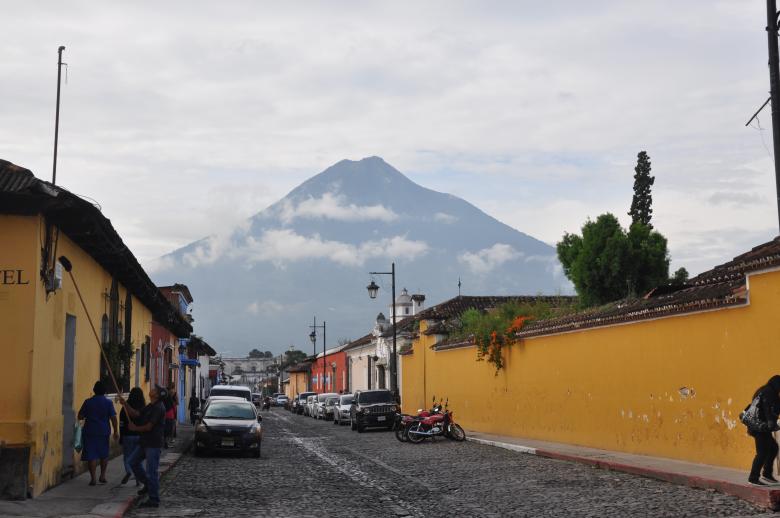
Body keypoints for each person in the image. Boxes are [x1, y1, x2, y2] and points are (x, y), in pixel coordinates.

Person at [119, 385, 167, 509]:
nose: (152, 389)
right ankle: (147, 484)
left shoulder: (158, 408)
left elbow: (149, 427)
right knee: (132, 462)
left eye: (154, 390)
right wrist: (125, 404)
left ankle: (154, 499)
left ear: (157, 395)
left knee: (151, 472)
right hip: (144, 442)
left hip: (153, 444)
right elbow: (136, 414)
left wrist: (135, 428)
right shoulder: (150, 406)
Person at [78, 381, 118, 486]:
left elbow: (80, 416)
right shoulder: (108, 403)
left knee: (91, 455)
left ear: (94, 390)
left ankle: (93, 478)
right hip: (104, 431)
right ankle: (103, 476)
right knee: (103, 454)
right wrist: (116, 431)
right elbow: (113, 418)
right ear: (105, 391)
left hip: (90, 431)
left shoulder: (88, 402)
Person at [748, 375, 780, 485]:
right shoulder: (769, 392)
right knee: (762, 453)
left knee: (773, 448)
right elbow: (767, 407)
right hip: (760, 427)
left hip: (758, 426)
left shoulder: (763, 390)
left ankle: (767, 474)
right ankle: (753, 478)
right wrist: (771, 422)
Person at [119, 387, 145, 485]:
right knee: (137, 458)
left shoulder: (124, 408)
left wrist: (121, 436)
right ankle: (138, 480)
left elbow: (121, 423)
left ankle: (129, 471)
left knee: (127, 456)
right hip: (139, 435)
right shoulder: (144, 407)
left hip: (127, 435)